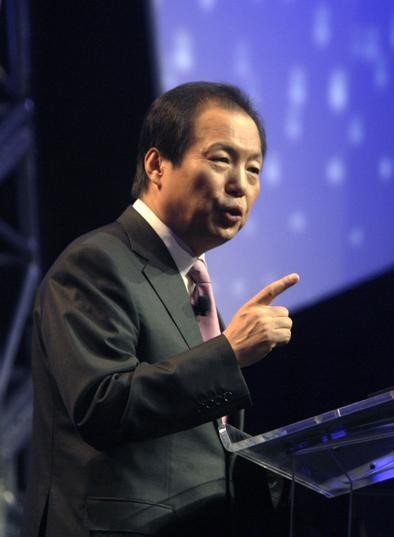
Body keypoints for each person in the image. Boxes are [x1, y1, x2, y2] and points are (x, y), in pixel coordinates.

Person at [22, 81, 299, 537]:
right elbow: (102, 404)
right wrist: (227, 353)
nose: (240, 185)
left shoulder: (191, 282)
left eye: (254, 169)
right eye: (221, 159)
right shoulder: (96, 262)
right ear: (157, 165)